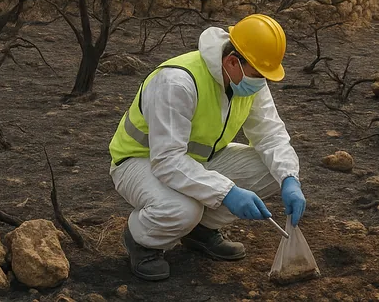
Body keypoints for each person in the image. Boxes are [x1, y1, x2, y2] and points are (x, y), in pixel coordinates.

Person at [108, 14, 305, 281]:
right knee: (183, 209)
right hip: (141, 162)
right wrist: (228, 192)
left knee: (275, 171)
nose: (261, 82)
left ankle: (199, 231)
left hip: (197, 160)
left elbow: (270, 135)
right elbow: (167, 161)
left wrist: (290, 179)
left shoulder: (246, 80)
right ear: (232, 61)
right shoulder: (177, 82)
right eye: (259, 74)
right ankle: (143, 241)